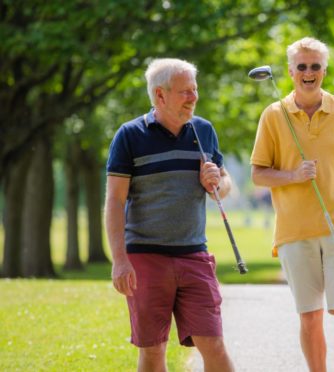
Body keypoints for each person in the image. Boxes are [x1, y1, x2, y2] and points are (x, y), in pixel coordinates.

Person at [250, 37, 334, 372]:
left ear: (324, 70)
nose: (309, 73)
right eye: (302, 67)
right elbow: (258, 175)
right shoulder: (273, 115)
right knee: (309, 317)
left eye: (315, 66)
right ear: (291, 71)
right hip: (295, 231)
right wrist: (293, 175)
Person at [105, 58, 235, 372]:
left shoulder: (203, 131)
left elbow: (225, 183)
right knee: (152, 351)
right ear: (160, 96)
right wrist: (119, 260)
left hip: (194, 256)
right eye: (185, 92)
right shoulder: (129, 136)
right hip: (145, 258)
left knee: (214, 345)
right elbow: (114, 199)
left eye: (195, 90)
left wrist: (217, 181)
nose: (193, 97)